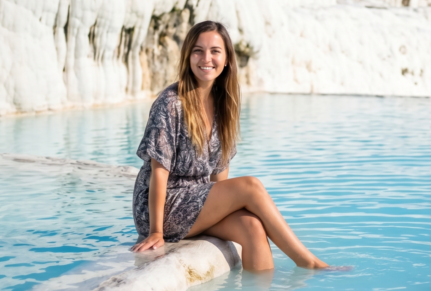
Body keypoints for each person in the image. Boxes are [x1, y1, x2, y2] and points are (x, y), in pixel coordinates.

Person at [130, 21, 329, 270]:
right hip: (161, 208)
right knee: (251, 186)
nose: (206, 58)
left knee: (252, 227)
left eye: (215, 51)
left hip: (195, 202)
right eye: (198, 51)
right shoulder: (170, 103)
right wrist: (156, 231)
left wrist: (222, 208)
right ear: (188, 57)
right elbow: (159, 173)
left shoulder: (225, 103)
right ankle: (307, 261)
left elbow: (219, 173)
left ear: (226, 60)